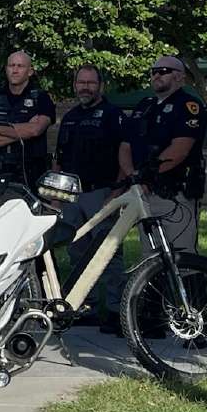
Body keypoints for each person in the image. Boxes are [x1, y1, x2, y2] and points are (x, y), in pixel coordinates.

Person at [54, 65, 126, 335]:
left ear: (100, 85)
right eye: (80, 82)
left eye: (90, 82)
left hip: (102, 193)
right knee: (77, 253)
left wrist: (117, 190)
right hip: (73, 196)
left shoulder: (113, 115)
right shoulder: (70, 117)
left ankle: (117, 311)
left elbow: (123, 153)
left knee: (109, 253)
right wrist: (58, 197)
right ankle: (89, 308)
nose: (85, 87)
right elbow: (59, 160)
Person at [119, 55, 207, 258]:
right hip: (143, 191)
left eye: (163, 71)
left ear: (179, 77)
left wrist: (146, 178)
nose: (156, 75)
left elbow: (180, 149)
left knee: (181, 254)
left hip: (175, 192)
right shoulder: (145, 105)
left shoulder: (188, 106)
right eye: (154, 71)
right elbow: (125, 146)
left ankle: (188, 290)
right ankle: (153, 290)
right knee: (150, 254)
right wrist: (134, 177)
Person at [0, 51, 56, 185]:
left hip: (31, 174)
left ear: (30, 71)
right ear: (6, 69)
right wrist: (23, 132)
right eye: (11, 66)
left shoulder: (41, 99)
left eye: (20, 66)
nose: (15, 70)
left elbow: (36, 130)